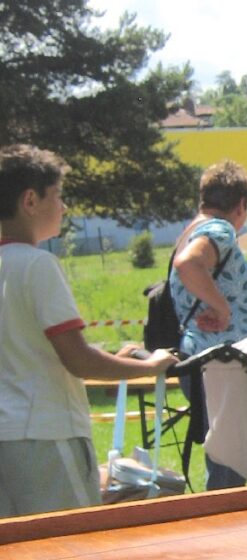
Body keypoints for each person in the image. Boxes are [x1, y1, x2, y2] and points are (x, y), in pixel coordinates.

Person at [0, 144, 178, 517]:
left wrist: (112, 357)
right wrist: (150, 366)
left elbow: (25, 345)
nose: (63, 207)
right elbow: (78, 360)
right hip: (45, 437)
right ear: (30, 200)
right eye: (58, 195)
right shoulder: (38, 265)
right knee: (68, 551)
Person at [170, 160, 247, 488]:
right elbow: (189, 264)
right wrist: (222, 308)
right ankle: (226, 525)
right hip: (220, 363)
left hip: (207, 360)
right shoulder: (219, 229)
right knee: (230, 463)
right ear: (240, 205)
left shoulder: (192, 230)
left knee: (226, 460)